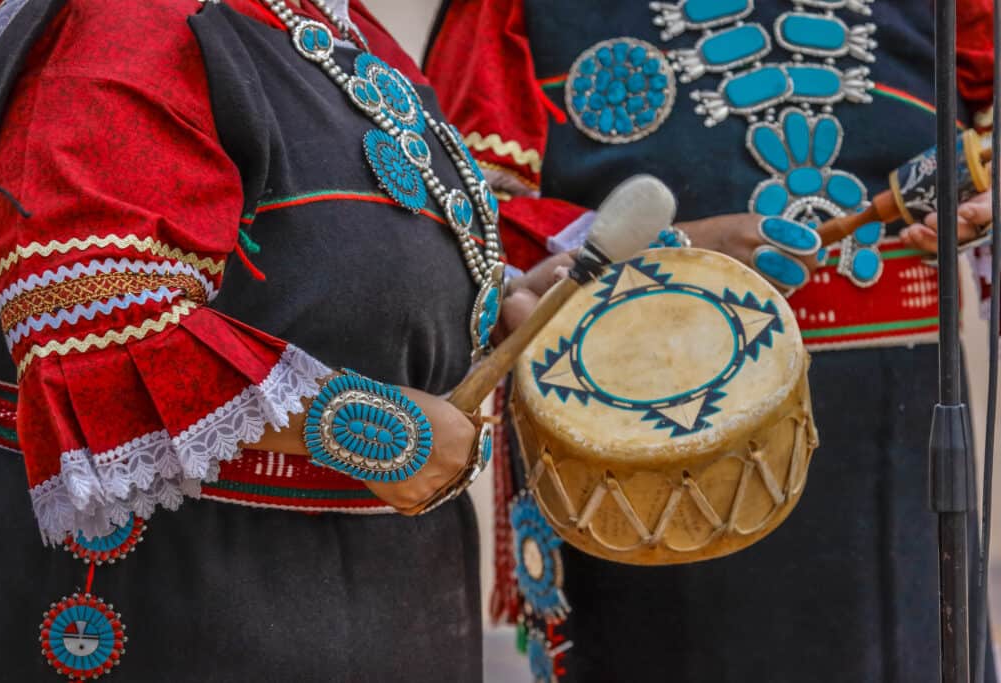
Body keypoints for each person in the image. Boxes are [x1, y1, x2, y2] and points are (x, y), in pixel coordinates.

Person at [0, 0, 566, 679]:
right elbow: (89, 323)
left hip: (382, 598)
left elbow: (332, 265)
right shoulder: (122, 24)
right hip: (201, 603)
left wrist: (499, 296)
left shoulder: (338, 26)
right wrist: (372, 427)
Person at [426, 1, 996, 681]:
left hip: (898, 439)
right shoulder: (511, 12)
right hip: (650, 434)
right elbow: (464, 222)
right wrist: (682, 251)